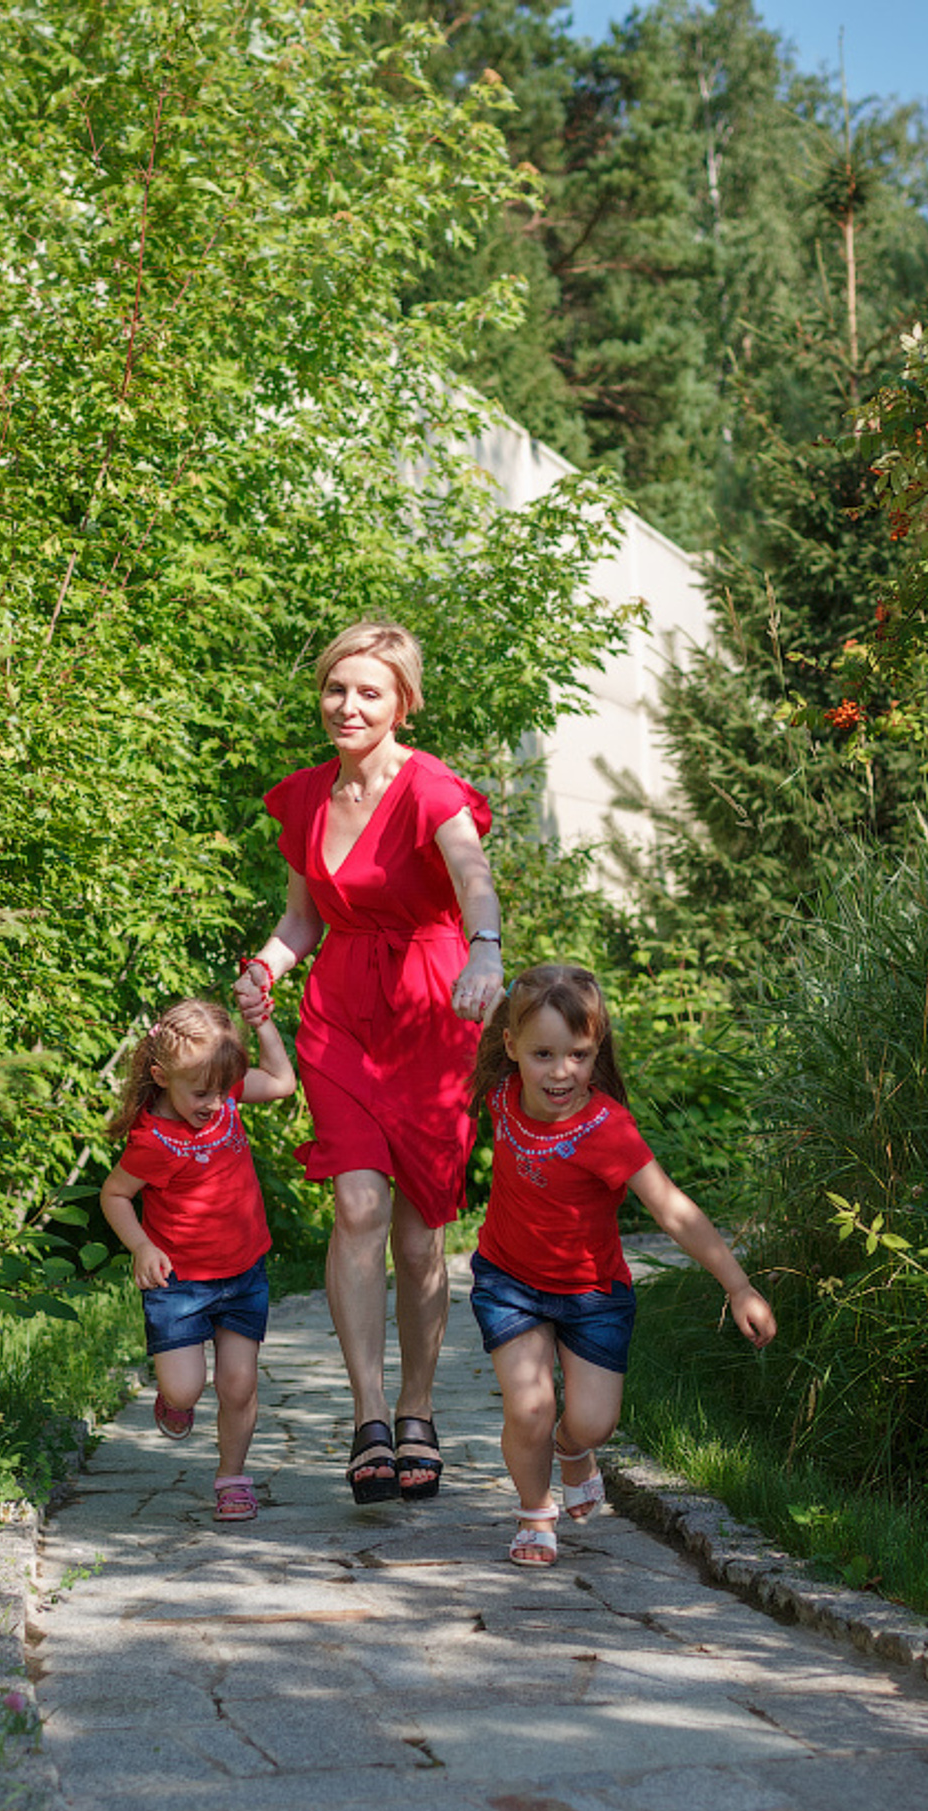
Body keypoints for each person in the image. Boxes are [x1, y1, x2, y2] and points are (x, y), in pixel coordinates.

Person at [235, 620, 504, 1504]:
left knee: (421, 1231)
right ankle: (369, 1420)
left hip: (432, 1010)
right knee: (357, 1205)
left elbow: (472, 880)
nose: (347, 706)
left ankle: (420, 1408)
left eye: (369, 692)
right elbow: (303, 918)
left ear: (403, 704)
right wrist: (267, 967)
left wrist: (486, 952)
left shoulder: (432, 789)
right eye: (335, 688)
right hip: (340, 1012)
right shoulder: (308, 797)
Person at [467, 964, 777, 1567]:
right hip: (509, 1281)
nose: (561, 1072)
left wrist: (737, 1286)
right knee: (529, 1405)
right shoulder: (501, 1093)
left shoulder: (606, 1129)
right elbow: (467, 1016)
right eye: (543, 1054)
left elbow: (674, 1212)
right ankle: (535, 1514)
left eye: (579, 1055)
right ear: (512, 1047)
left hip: (592, 1294)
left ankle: (572, 1449)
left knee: (593, 1423)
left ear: (596, 1048)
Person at [100, 997, 297, 1522]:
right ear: (162, 1077)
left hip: (242, 1274)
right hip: (181, 1285)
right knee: (184, 1388)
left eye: (220, 1089)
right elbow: (115, 1195)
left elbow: (281, 1082)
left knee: (239, 1385)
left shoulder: (225, 1092)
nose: (213, 1102)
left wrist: (263, 1023)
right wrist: (142, 1245)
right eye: (200, 1092)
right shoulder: (152, 1142)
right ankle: (174, 1400)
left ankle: (231, 1477)